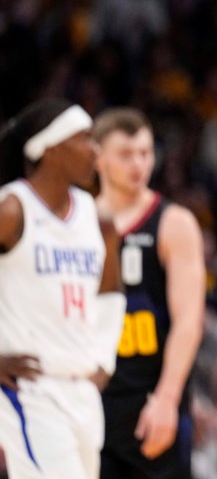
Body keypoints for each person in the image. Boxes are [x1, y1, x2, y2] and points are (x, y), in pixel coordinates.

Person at [0, 98, 125, 478]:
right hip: (30, 390)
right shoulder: (11, 210)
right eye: (85, 138)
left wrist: (104, 359)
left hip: (83, 391)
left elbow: (110, 293)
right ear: (50, 149)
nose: (96, 151)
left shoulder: (98, 219)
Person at [93, 107, 205, 478]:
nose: (138, 163)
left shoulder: (174, 223)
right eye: (126, 154)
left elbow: (189, 321)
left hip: (150, 400)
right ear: (98, 158)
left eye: (145, 152)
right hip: (91, 400)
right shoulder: (77, 222)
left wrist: (168, 399)